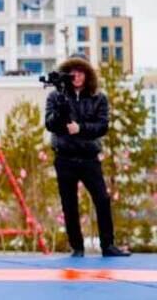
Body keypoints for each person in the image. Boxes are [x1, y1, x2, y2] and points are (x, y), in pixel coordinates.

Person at [45, 54, 129, 257]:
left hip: (89, 158)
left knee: (102, 199)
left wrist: (80, 128)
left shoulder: (98, 98)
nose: (77, 75)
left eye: (81, 71)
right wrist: (61, 112)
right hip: (64, 157)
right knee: (69, 203)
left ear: (87, 74)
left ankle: (107, 245)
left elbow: (102, 126)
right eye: (72, 71)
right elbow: (49, 123)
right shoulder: (55, 96)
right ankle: (77, 247)